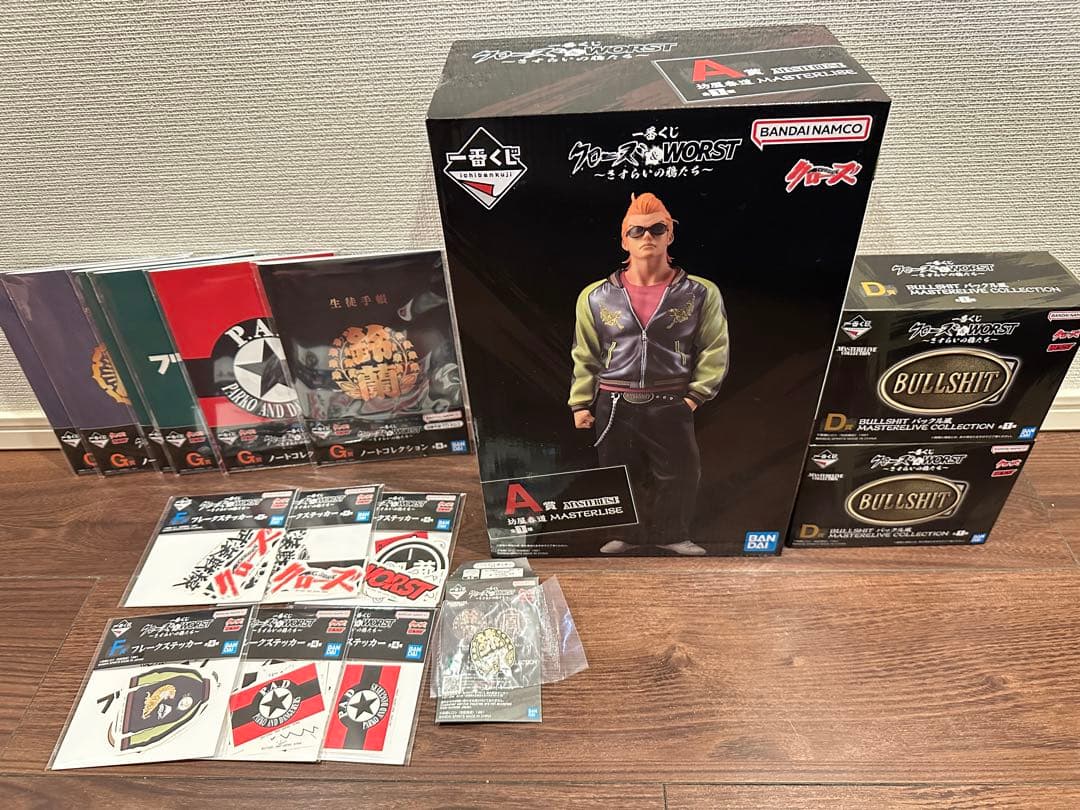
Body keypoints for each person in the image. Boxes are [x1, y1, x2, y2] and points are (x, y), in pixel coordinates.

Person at [568, 193, 729, 555]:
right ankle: (626, 534)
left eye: (657, 228)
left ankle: (673, 534)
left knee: (680, 470)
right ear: (624, 239)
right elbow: (585, 352)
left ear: (670, 234)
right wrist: (580, 402)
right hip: (613, 398)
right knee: (618, 471)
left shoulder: (699, 292)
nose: (647, 237)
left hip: (670, 396)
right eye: (637, 230)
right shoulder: (595, 296)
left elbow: (715, 347)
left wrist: (695, 397)